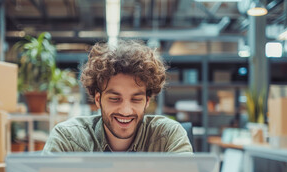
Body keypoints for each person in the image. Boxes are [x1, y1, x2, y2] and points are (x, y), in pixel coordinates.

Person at [42, 39, 193, 153]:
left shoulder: (168, 136)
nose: (126, 111)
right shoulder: (67, 139)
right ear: (98, 99)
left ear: (147, 101)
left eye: (136, 99)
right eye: (115, 99)